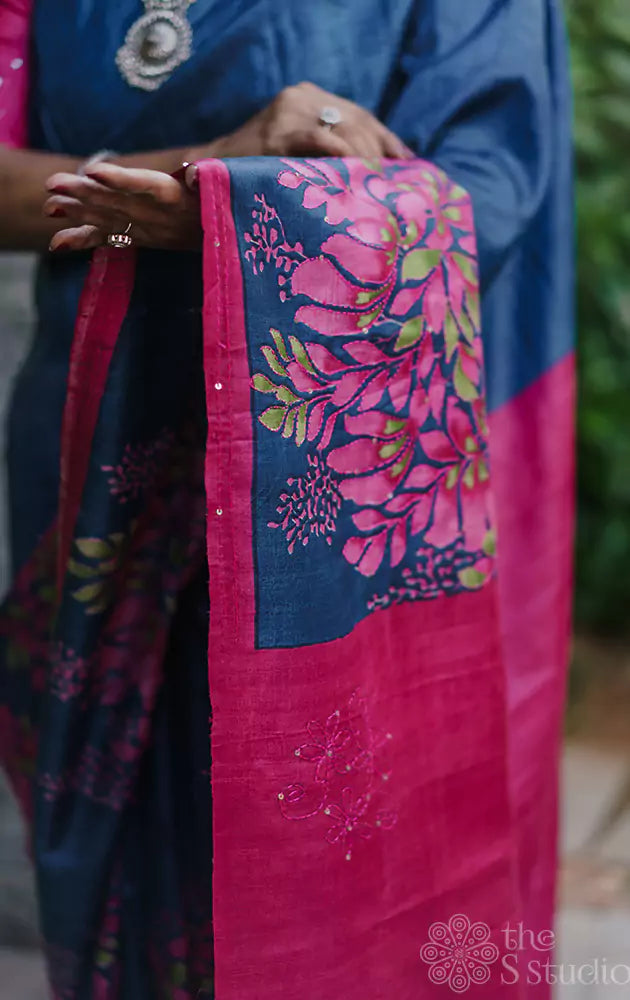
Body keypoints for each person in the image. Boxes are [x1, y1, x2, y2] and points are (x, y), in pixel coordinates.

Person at [0, 1, 573, 998]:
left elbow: (487, 183)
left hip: (354, 473)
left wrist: (226, 211)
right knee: (126, 852)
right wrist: (204, 172)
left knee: (332, 859)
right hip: (102, 449)